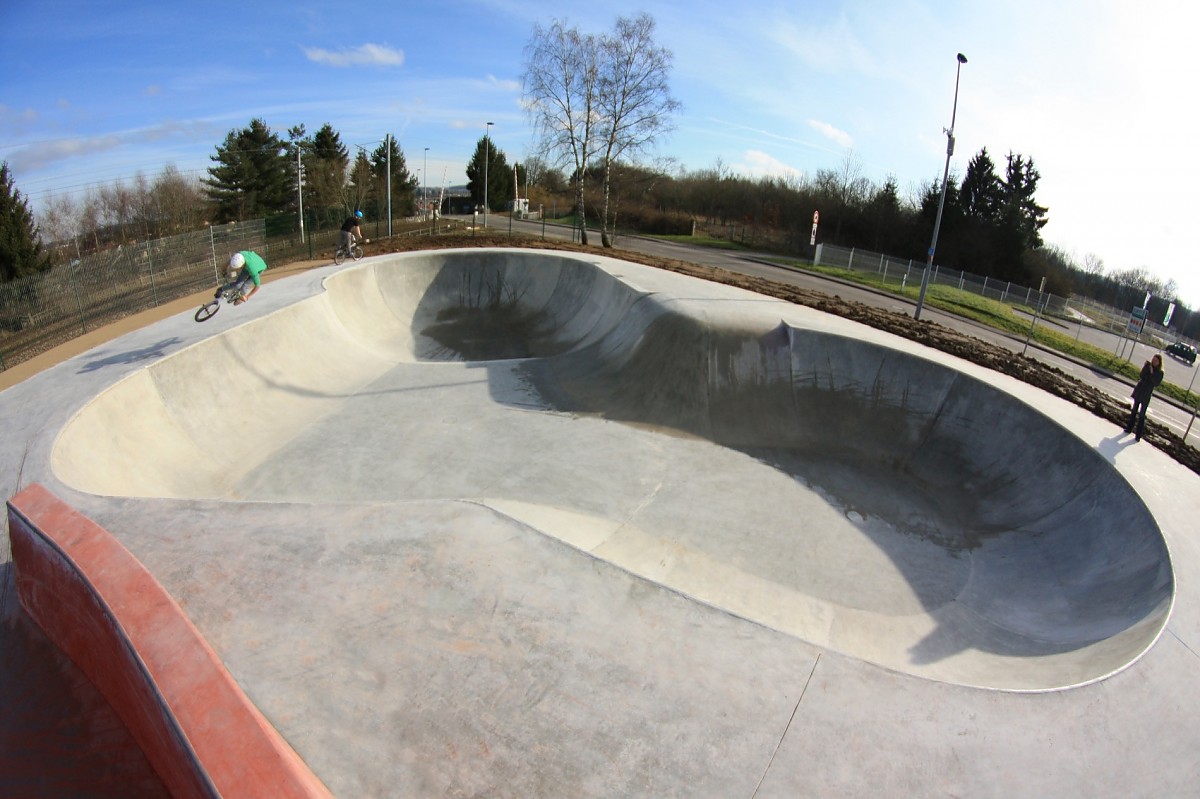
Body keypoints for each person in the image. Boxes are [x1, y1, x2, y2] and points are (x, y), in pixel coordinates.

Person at [1125, 353, 1164, 441]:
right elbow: (1142, 375)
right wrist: (1149, 373)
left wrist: (1151, 373)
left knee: (1142, 415)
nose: (1153, 362)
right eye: (1153, 360)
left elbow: (1155, 382)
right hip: (1140, 390)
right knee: (1134, 410)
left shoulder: (1160, 373)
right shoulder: (1147, 365)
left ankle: (1138, 435)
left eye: (1156, 361)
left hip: (1146, 394)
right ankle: (1128, 429)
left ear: (1159, 363)